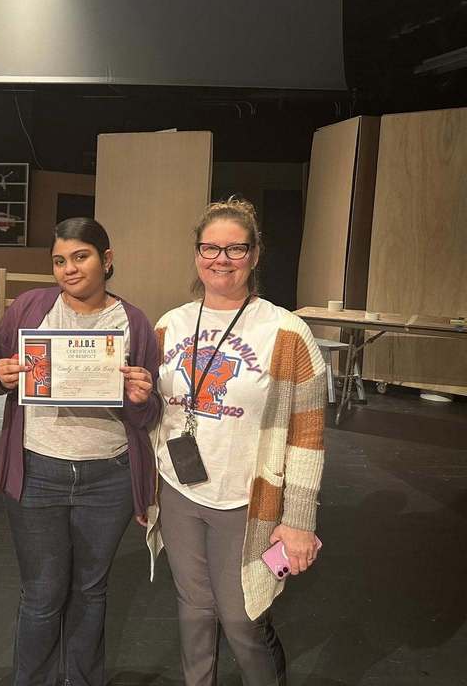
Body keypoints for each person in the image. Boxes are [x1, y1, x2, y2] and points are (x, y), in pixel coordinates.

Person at [145, 197, 326, 685]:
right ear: (197, 253)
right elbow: (151, 414)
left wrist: (299, 522)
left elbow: (307, 438)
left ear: (255, 254)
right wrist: (144, 488)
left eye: (235, 249)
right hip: (178, 490)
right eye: (210, 248)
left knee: (243, 618)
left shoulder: (287, 333)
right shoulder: (170, 325)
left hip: (249, 501)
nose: (220, 259)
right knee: (193, 612)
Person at [0, 217, 161, 686]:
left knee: (90, 590)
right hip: (38, 468)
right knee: (41, 594)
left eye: (80, 257)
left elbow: (149, 413)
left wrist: (144, 398)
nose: (69, 269)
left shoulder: (134, 322)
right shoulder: (29, 308)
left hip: (110, 474)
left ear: (106, 259)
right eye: (59, 261)